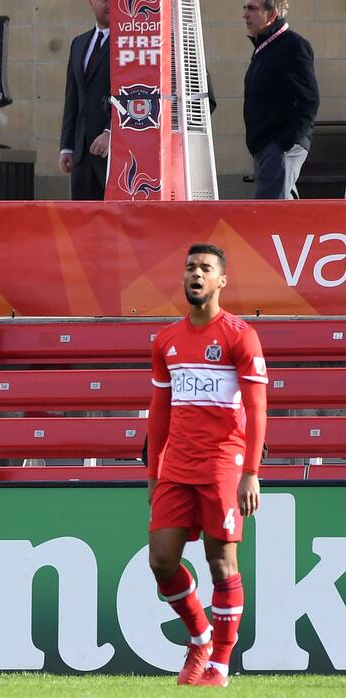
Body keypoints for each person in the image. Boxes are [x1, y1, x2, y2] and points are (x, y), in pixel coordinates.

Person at [147, 243, 268, 687]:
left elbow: (258, 410)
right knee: (161, 561)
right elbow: (159, 411)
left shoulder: (240, 336)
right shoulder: (167, 340)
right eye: (190, 267)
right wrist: (153, 472)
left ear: (221, 281)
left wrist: (251, 472)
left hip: (223, 463)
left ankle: (219, 661)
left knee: (221, 564)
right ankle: (199, 635)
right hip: (176, 466)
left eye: (205, 269)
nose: (195, 274)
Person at [243, 0, 318, 200]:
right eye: (245, 8)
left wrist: (285, 143)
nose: (245, 15)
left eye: (252, 8)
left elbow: (309, 99)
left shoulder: (293, 46)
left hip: (280, 146)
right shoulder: (265, 48)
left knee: (269, 217)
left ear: (272, 14)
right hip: (267, 148)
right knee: (285, 217)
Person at [59, 0, 111, 200]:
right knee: (82, 225)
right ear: (91, 2)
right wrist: (67, 146)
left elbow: (132, 95)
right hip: (82, 155)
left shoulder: (130, 43)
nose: (110, 4)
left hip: (113, 155)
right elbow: (72, 98)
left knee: (115, 225)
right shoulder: (78, 44)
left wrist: (110, 132)